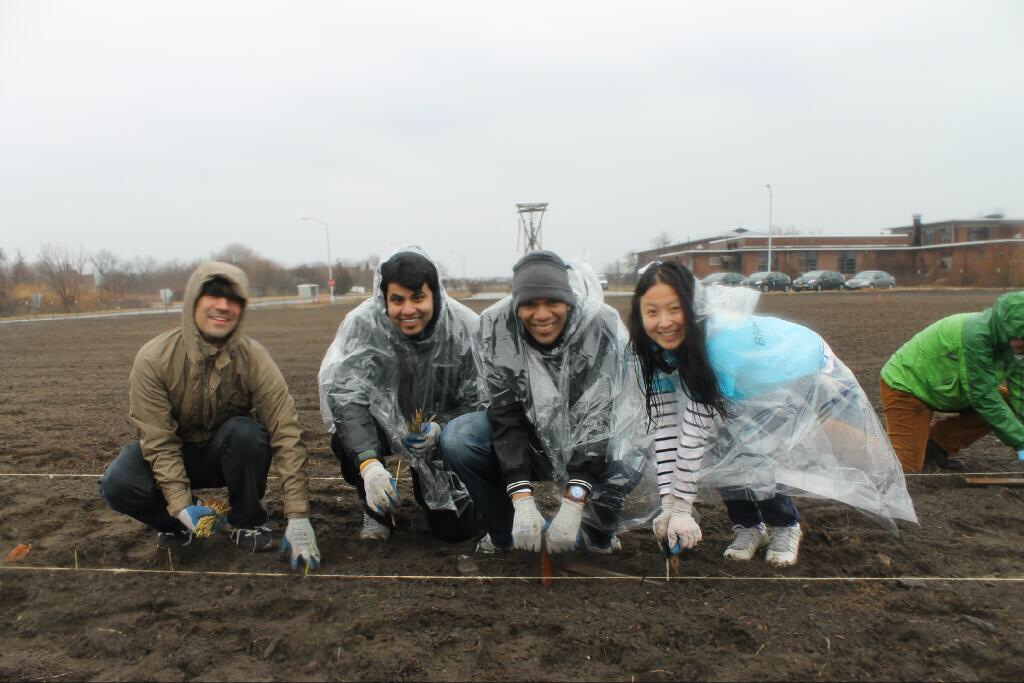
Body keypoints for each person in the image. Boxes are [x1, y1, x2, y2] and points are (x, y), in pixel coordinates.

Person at [628, 261, 916, 566]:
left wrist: (683, 509)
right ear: (639, 312)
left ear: (691, 306)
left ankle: (785, 526)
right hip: (742, 384)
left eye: (675, 309)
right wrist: (668, 505)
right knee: (723, 450)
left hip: (792, 373)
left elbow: (694, 431)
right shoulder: (653, 350)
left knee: (756, 453)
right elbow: (667, 428)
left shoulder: (719, 347)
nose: (664, 322)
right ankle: (750, 527)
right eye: (652, 311)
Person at [99, 262, 320, 570]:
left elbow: (286, 431)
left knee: (246, 433)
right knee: (118, 482)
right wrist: (180, 507)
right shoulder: (153, 359)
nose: (222, 306)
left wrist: (298, 516)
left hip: (224, 455)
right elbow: (158, 442)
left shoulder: (253, 358)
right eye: (212, 296)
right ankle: (176, 525)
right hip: (175, 456)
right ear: (192, 301)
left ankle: (247, 521)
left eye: (233, 299)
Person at [445, 250, 653, 554]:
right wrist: (522, 499)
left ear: (568, 300)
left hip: (594, 445)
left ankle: (596, 530)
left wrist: (574, 500)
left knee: (634, 438)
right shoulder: (496, 329)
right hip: (531, 443)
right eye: (529, 304)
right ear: (517, 306)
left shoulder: (599, 325)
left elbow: (600, 418)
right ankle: (505, 533)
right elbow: (505, 415)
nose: (542, 315)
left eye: (553, 302)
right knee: (459, 438)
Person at [318, 247, 482, 544]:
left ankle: (450, 493)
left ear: (435, 294)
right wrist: (368, 465)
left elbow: (479, 398)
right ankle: (375, 507)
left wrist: (441, 428)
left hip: (436, 435)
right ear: (384, 299)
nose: (408, 310)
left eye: (418, 297)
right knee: (346, 438)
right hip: (381, 426)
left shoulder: (463, 328)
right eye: (397, 300)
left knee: (455, 530)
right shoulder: (363, 325)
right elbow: (345, 395)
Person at [880, 291, 1024, 472]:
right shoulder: (976, 337)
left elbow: (1020, 393)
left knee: (1007, 400)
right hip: (908, 387)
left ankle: (936, 446)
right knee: (906, 471)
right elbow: (985, 398)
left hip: (951, 388)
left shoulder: (1015, 347)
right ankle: (860, 444)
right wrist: (1021, 442)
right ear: (1007, 330)